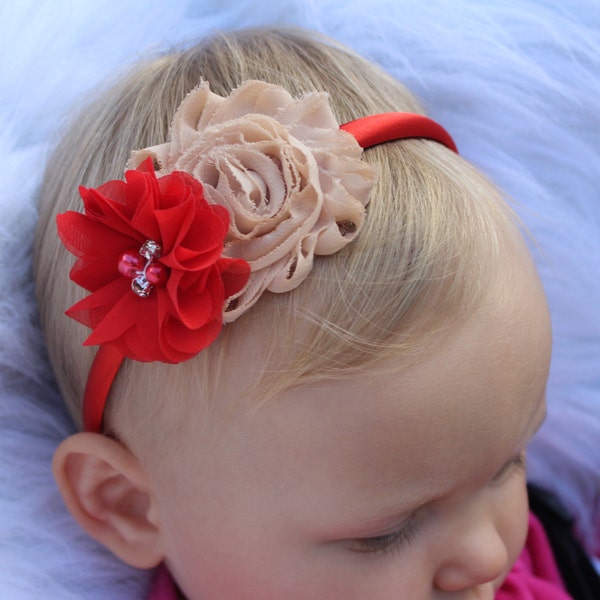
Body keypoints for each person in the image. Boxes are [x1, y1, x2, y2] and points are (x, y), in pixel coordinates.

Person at [33, 27, 586, 599]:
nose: (489, 554)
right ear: (133, 508)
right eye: (386, 534)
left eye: (508, 465)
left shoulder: (554, 561)